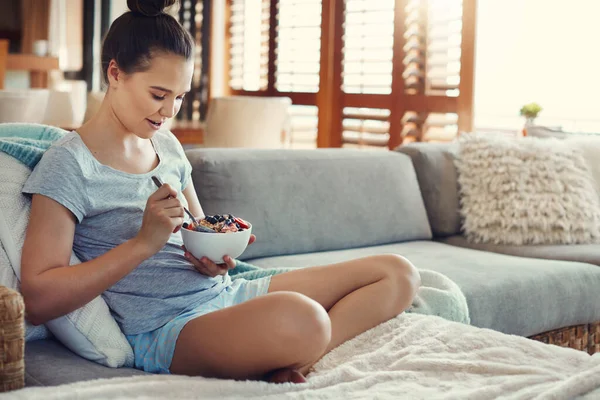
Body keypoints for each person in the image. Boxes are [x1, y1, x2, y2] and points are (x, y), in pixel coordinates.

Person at [20, 0, 420, 384]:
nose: (169, 112)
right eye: (159, 95)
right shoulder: (69, 164)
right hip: (169, 327)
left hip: (227, 293)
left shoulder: (168, 147)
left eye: (179, 97)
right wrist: (143, 244)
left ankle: (289, 357)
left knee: (398, 273)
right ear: (115, 73)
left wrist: (215, 254)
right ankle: (289, 348)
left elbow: (199, 232)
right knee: (307, 318)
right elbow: (38, 299)